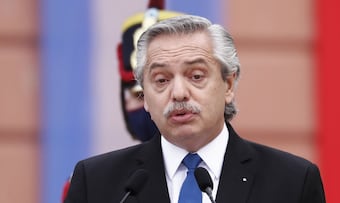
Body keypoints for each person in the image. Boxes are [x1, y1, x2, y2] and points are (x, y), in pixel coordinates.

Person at [64, 15, 326, 203]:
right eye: (161, 80)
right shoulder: (97, 183)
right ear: (144, 96)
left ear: (228, 84)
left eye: (196, 76)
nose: (178, 93)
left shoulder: (292, 182)